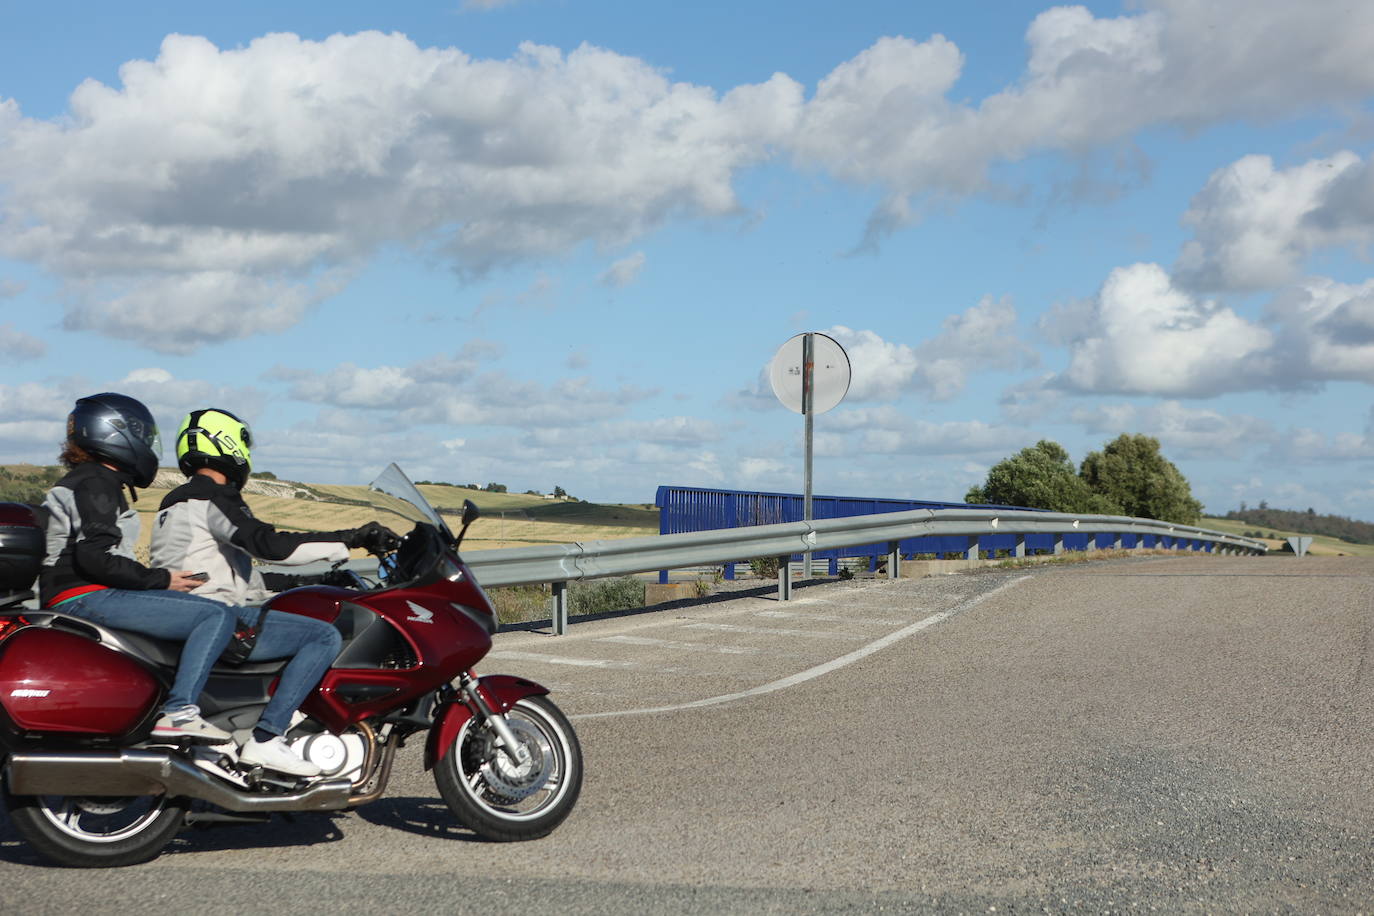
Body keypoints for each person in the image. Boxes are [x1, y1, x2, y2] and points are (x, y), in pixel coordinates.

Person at [150, 407, 399, 777]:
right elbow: (269, 545)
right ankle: (268, 738)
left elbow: (222, 573)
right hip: (213, 617)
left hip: (182, 614)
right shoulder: (213, 498)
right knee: (321, 637)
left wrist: (299, 584)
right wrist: (351, 538)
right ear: (229, 444)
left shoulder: (174, 503)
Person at [39, 393, 238, 744]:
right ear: (115, 432)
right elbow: (94, 558)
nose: (147, 445)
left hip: (77, 592)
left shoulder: (89, 479)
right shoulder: (96, 483)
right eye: (143, 435)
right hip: (84, 595)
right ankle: (180, 712)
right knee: (215, 616)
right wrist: (161, 580)